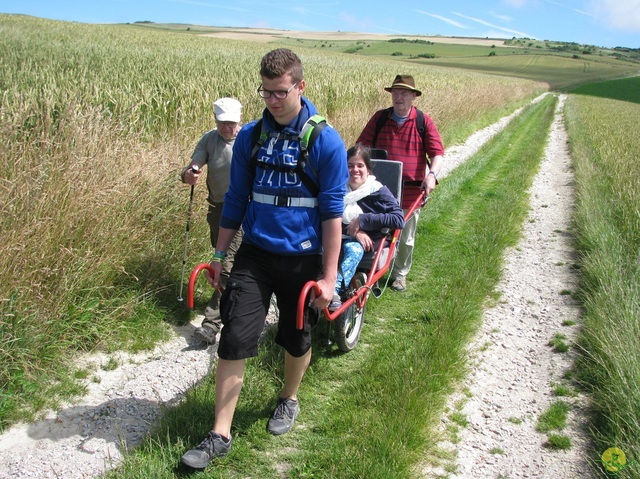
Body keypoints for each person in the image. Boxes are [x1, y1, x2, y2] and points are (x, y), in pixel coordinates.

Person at [180, 48, 348, 470]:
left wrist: (329, 279)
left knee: (296, 338)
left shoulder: (325, 141)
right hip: (255, 253)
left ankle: (288, 399)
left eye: (280, 92)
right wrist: (219, 254)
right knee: (234, 336)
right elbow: (236, 199)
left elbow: (332, 216)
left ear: (300, 87)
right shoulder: (252, 136)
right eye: (266, 92)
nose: (272, 100)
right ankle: (220, 434)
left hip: (303, 257)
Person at [357, 75, 445, 292]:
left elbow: (437, 153)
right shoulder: (380, 119)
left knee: (404, 236)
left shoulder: (424, 122)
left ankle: (400, 275)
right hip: (378, 190)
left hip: (410, 191)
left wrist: (431, 175)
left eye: (404, 93)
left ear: (413, 96)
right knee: (377, 231)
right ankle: (373, 271)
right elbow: (361, 147)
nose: (398, 97)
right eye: (395, 92)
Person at [180, 97, 244, 344]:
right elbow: (194, 164)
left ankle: (211, 324)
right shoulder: (209, 139)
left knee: (225, 263)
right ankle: (244, 298)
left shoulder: (249, 139)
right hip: (218, 209)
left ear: (239, 121)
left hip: (244, 210)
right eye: (222, 123)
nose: (227, 129)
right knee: (231, 261)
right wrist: (189, 173)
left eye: (231, 124)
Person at [329, 144, 405, 311]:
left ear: (368, 170)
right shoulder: (337, 191)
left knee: (353, 249)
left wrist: (363, 220)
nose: (355, 169)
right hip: (339, 235)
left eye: (360, 165)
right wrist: (356, 231)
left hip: (369, 240)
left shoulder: (377, 191)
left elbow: (399, 219)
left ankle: (334, 291)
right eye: (350, 165)